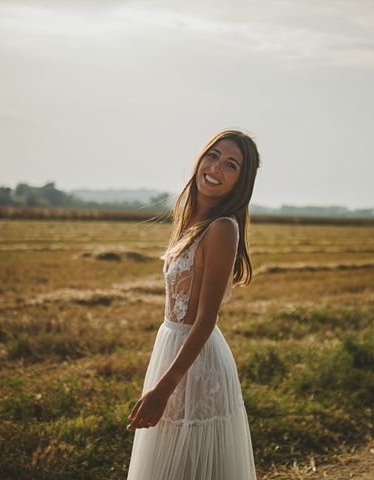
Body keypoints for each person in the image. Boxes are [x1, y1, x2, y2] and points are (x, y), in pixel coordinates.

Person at [126, 129, 261, 479]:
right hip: (170, 348)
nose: (216, 167)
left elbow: (205, 320)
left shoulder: (222, 229)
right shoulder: (190, 221)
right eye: (212, 155)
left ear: (240, 182)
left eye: (231, 164)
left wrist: (163, 389)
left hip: (198, 364)